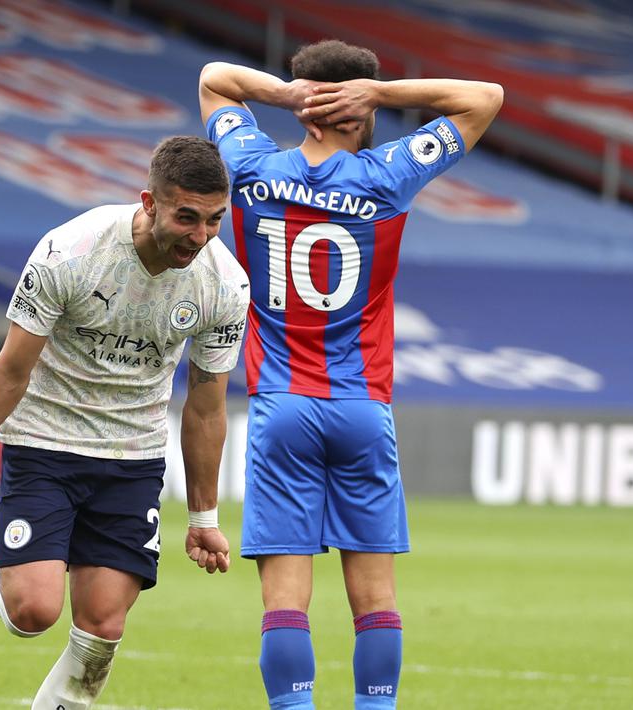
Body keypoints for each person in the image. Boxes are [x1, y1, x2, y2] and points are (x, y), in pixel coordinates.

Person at [198, 42, 502, 710]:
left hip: (281, 407)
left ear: (307, 107)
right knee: (375, 599)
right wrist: (382, 92)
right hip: (361, 405)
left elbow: (214, 80)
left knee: (284, 599)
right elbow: (484, 98)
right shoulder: (386, 173)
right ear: (357, 110)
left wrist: (287, 94)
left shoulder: (249, 167)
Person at [0, 135, 250, 709]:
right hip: (45, 442)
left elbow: (205, 406)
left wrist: (203, 516)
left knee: (101, 630)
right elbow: (11, 371)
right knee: (33, 613)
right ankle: (0, 569)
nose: (201, 235)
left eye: (214, 220)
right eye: (186, 217)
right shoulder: (71, 252)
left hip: (134, 458)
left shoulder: (225, 284)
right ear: (149, 202)